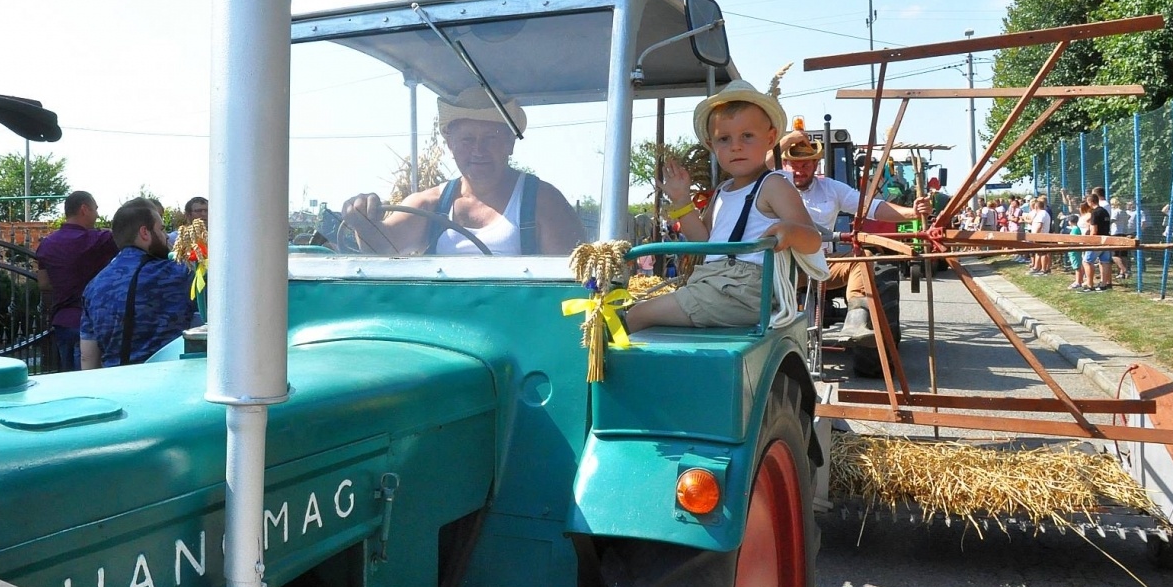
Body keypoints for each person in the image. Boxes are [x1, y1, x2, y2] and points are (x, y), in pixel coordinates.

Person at [623, 81, 820, 331]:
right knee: (641, 310)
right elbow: (703, 241)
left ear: (770, 138)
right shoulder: (722, 192)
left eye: (747, 136)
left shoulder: (773, 185)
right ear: (712, 145)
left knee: (637, 315)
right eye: (724, 139)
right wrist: (682, 201)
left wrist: (789, 232)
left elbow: (813, 240)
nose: (736, 146)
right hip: (714, 282)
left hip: (744, 288)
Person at [340, 88, 583, 255]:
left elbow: (572, 283)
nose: (478, 150)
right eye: (467, 140)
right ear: (450, 145)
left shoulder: (543, 202)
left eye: (490, 138)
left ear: (510, 144)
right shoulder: (430, 204)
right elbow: (383, 248)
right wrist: (362, 219)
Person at [777, 130, 931, 346]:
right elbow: (758, 166)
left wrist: (912, 213)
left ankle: (857, 321)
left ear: (816, 164)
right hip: (781, 266)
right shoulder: (772, 185)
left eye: (805, 165)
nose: (799, 170)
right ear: (783, 164)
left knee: (862, 259)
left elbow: (870, 207)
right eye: (793, 164)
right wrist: (787, 140)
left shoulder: (830, 188)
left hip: (820, 263)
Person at [80, 198, 194, 367]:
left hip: (115, 380)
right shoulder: (179, 274)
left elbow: (88, 359)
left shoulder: (93, 287)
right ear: (145, 233)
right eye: (161, 229)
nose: (166, 237)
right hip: (168, 377)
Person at [35, 190, 119, 371]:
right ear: (84, 209)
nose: (97, 215)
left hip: (62, 321)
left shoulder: (47, 244)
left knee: (69, 378)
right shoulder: (99, 240)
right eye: (95, 209)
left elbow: (43, 283)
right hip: (93, 320)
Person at [1084, 189, 1113, 290]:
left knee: (1087, 261)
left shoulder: (1095, 213)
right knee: (1104, 262)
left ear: (1091, 202)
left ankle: (1089, 285)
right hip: (1106, 239)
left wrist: (1089, 241)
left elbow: (1094, 230)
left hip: (1097, 241)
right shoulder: (1105, 211)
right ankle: (1104, 284)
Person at [1024, 195, 1052, 275]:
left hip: (1041, 236)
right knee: (1038, 253)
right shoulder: (1041, 213)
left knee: (1043, 253)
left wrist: (1035, 236)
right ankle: (1037, 268)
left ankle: (1043, 269)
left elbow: (1039, 226)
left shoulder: (1042, 214)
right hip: (1039, 236)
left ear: (1036, 206)